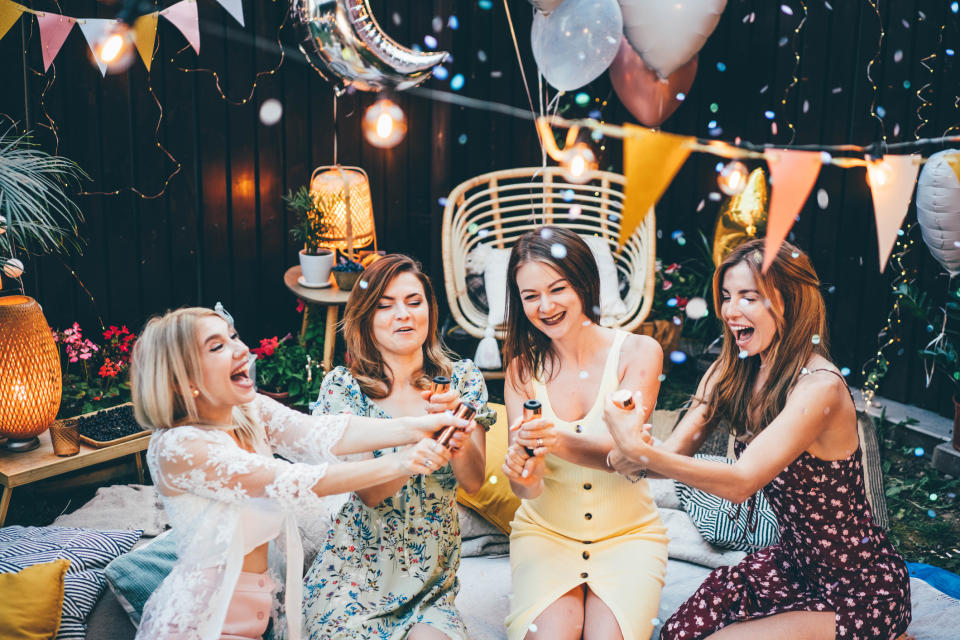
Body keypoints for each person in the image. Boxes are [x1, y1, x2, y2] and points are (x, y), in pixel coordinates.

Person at [603, 239, 912, 640]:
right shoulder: (732, 370)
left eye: (749, 297)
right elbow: (669, 456)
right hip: (793, 564)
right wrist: (626, 445)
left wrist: (639, 452)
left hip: (861, 588)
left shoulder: (820, 387)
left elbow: (740, 482)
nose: (731, 311)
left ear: (792, 301)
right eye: (728, 297)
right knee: (678, 633)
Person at [130, 306, 469, 640]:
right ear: (181, 380)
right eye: (217, 346)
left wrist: (421, 425)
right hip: (199, 627)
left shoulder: (247, 413)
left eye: (233, 336)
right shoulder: (178, 447)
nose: (241, 350)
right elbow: (287, 481)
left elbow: (326, 432)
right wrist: (403, 462)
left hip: (253, 626)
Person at [302, 254, 496, 640]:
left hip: (430, 587)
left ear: (429, 309)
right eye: (385, 305)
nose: (402, 315)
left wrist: (457, 431)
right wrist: (424, 435)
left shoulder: (463, 380)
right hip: (352, 578)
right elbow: (370, 492)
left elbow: (474, 481)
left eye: (413, 301)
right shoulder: (344, 389)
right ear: (366, 318)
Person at [499, 227, 668, 640]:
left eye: (558, 288)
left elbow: (626, 457)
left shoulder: (638, 353)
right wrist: (522, 470)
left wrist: (552, 440)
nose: (546, 305)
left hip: (629, 537)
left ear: (583, 283)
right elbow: (527, 491)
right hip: (545, 534)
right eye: (530, 296)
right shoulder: (521, 371)